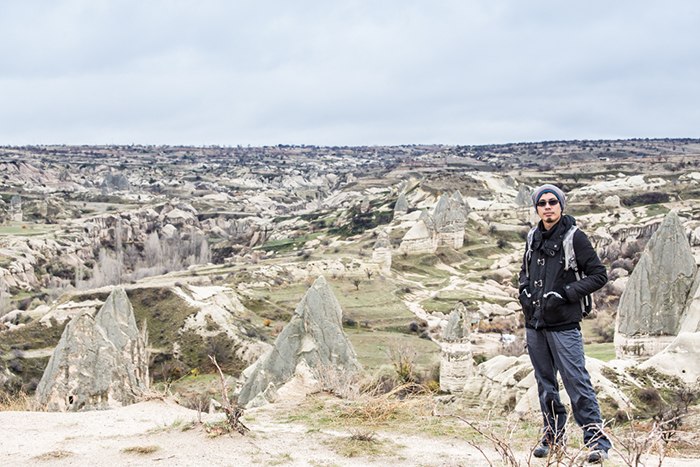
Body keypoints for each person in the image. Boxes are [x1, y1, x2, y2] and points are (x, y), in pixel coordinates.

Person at [518, 184, 611, 464]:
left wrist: (566, 294)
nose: (548, 207)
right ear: (536, 208)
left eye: (553, 202)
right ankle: (553, 437)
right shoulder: (533, 236)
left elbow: (599, 275)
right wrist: (522, 289)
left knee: (576, 381)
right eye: (542, 203)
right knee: (545, 384)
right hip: (535, 323)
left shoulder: (575, 237)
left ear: (561, 205)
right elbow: (525, 269)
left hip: (564, 324)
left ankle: (597, 442)